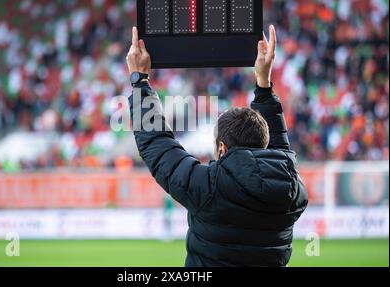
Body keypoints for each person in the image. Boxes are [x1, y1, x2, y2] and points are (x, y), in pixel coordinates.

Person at [127, 25, 308, 266]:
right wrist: (263, 85)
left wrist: (140, 81)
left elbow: (157, 146)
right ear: (264, 145)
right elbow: (280, 152)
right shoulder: (291, 189)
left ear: (222, 148)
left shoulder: (209, 187)